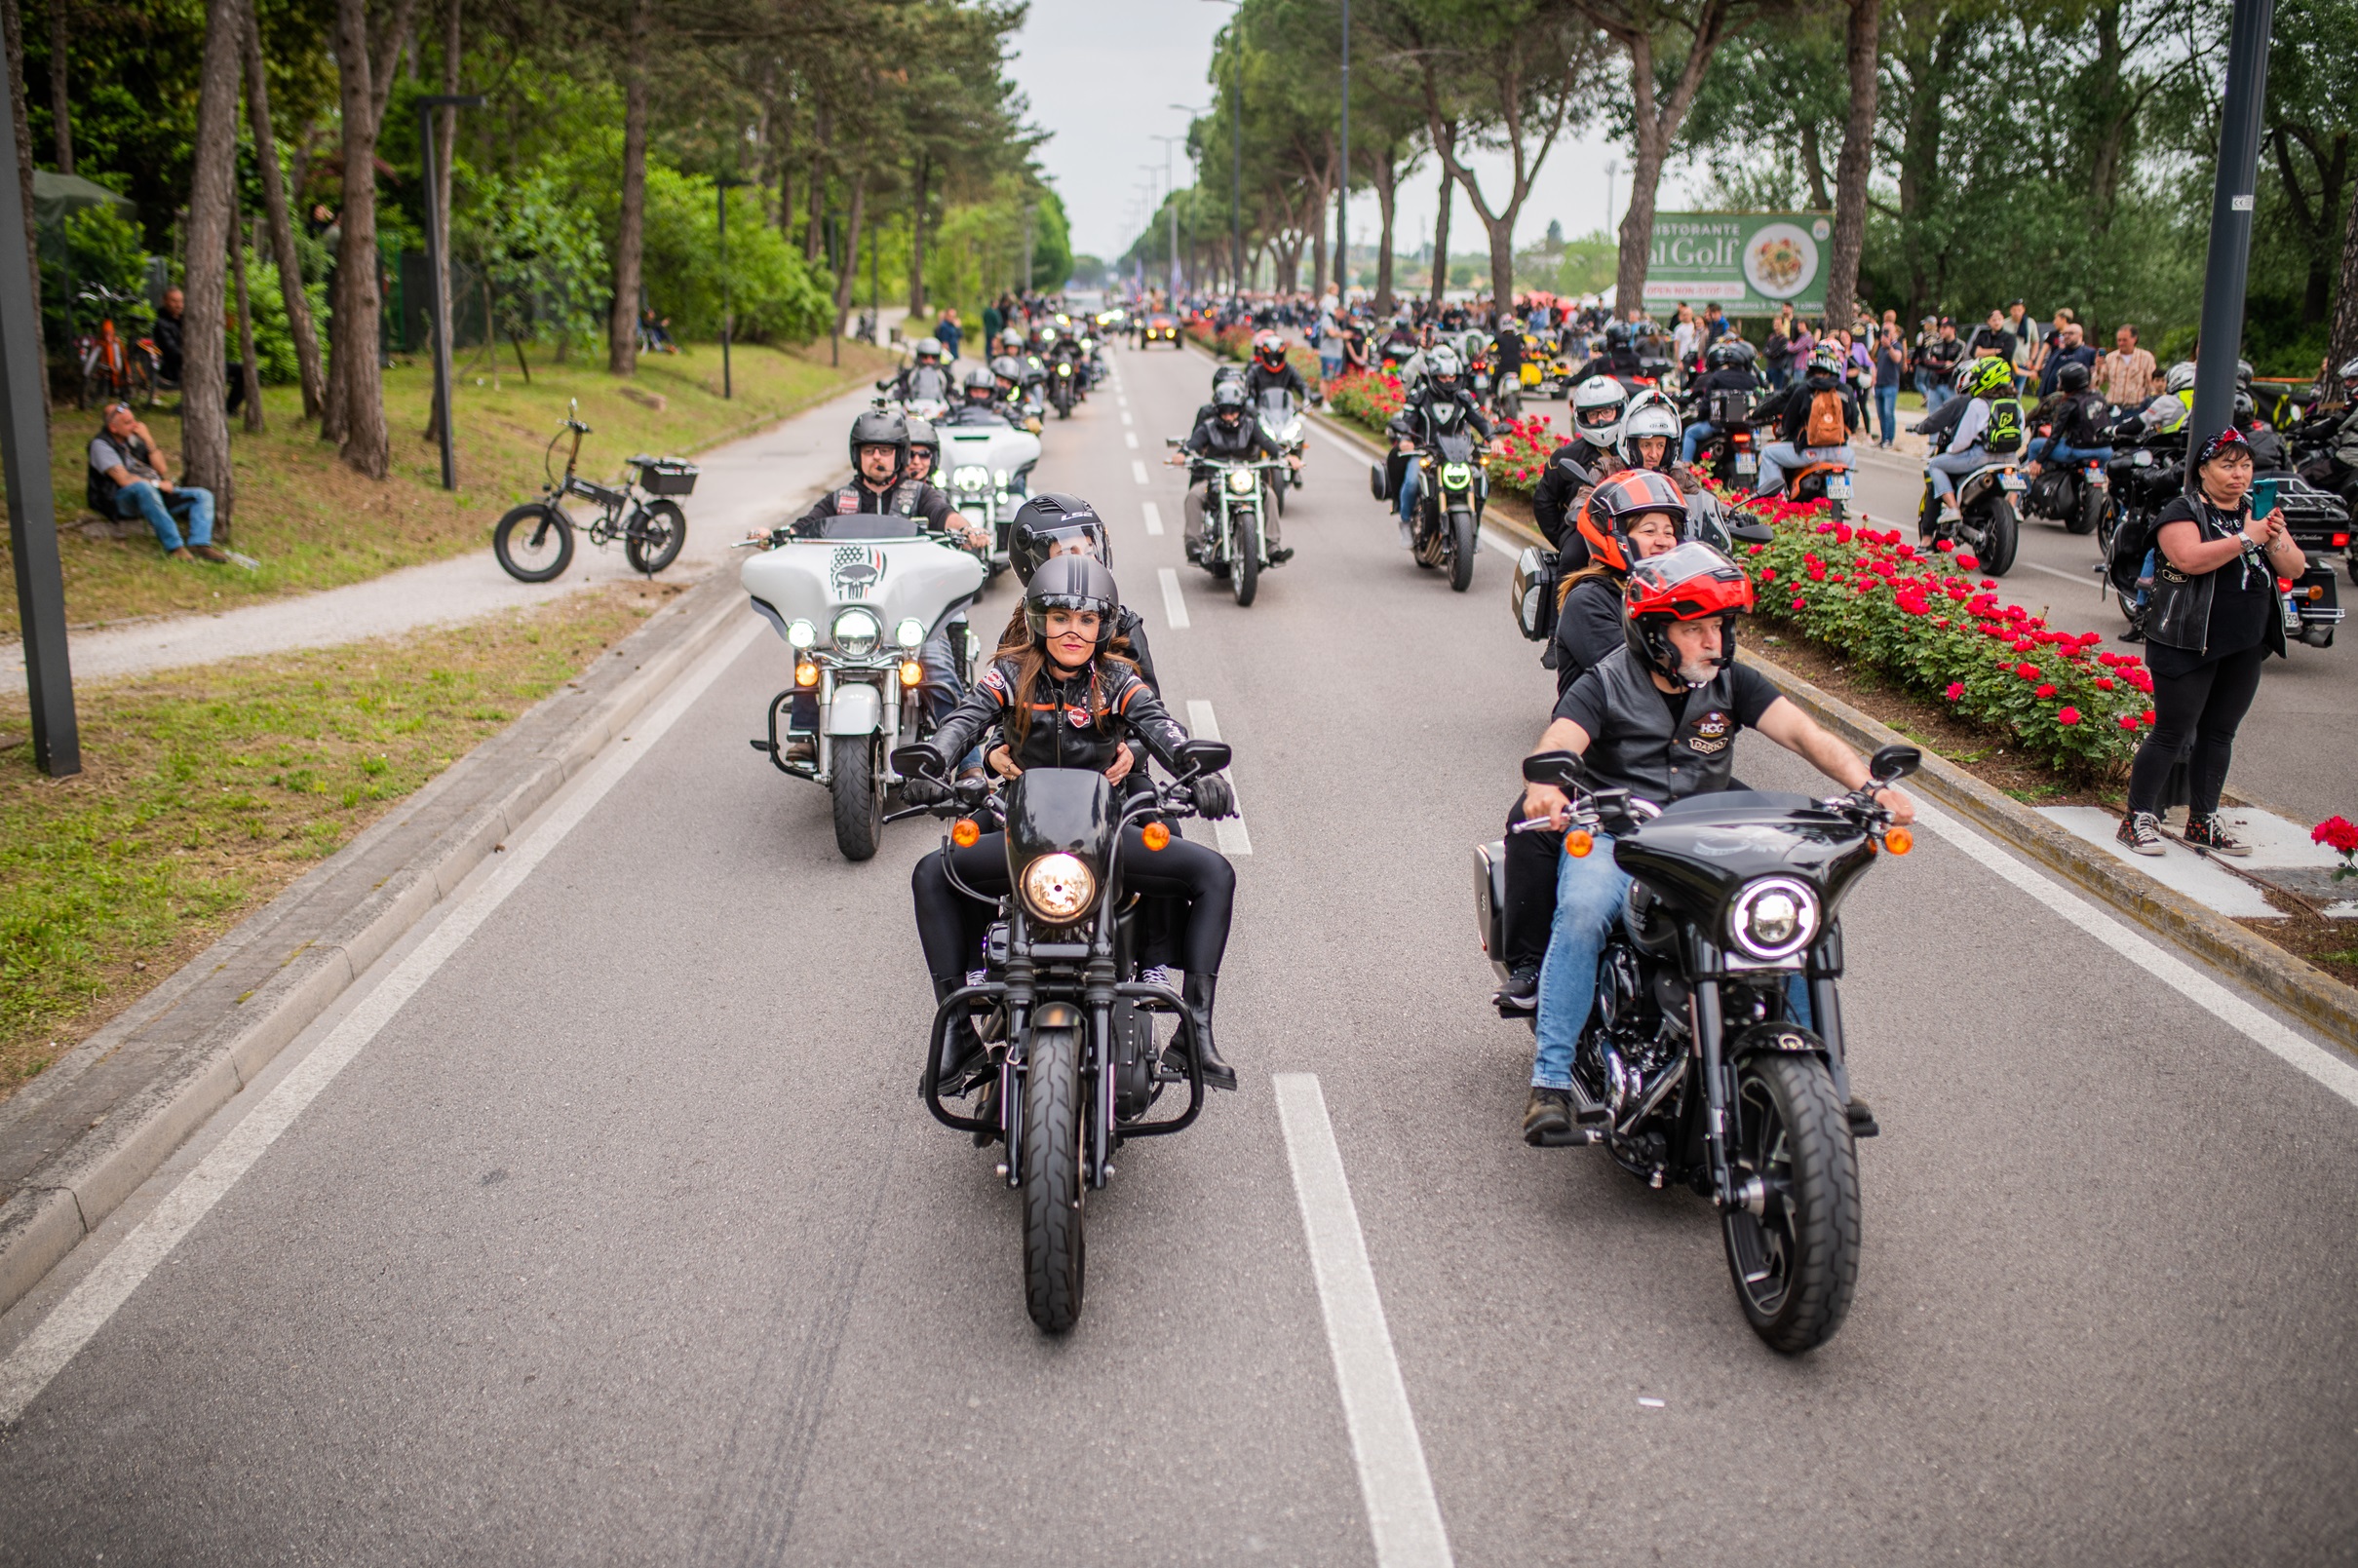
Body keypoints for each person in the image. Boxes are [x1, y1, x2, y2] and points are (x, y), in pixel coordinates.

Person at [1512, 543, 1917, 1140]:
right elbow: (1561, 741)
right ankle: (1550, 1086)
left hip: (1704, 842)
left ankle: (1823, 1079)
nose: (1714, 643)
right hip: (1620, 839)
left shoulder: (1733, 684)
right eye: (1695, 629)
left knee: (1798, 916)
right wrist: (1546, 786)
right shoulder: (1602, 684)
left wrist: (1868, 787)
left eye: (1720, 628)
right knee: (1580, 913)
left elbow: (1806, 736)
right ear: (1653, 632)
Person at [906, 555, 1240, 1090]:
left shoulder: (1117, 680)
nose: (1073, 631)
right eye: (1061, 617)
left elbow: (1160, 726)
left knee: (1214, 873)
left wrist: (1196, 770)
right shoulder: (1009, 674)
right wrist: (933, 760)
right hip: (1023, 833)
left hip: (1103, 836)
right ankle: (956, 1033)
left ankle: (1194, 1030)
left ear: (1103, 625)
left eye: (1087, 620)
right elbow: (964, 720)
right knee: (930, 873)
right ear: (1039, 619)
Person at [1493, 473, 1692, 1013]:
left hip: (1673, 758)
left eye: (1669, 531)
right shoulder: (1590, 598)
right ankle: (1532, 967)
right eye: (1648, 530)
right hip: (1596, 756)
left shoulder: (1685, 597)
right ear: (1614, 536)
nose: (1662, 541)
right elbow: (1635, 676)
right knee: (1528, 825)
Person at [2116, 428, 2305, 858]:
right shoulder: (2182, 511)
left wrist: (2272, 535)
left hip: (2244, 643)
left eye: (2245, 465)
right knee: (2171, 731)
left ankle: (2203, 821)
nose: (2238, 474)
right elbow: (2187, 560)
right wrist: (2247, 538)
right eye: (2227, 465)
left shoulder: (2256, 513)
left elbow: (2294, 566)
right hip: (2186, 640)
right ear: (2203, 470)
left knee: (2220, 733)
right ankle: (2138, 817)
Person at [1171, 379, 1296, 564]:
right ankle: (1193, 545)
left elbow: (1269, 444)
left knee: (1269, 496)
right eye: (1224, 411)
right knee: (1194, 495)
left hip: (1247, 478)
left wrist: (1286, 456)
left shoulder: (1251, 426)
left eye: (1233, 410)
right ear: (1217, 410)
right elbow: (1192, 444)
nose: (1229, 416)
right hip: (1215, 478)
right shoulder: (1208, 427)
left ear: (1241, 408)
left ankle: (1272, 546)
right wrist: (1182, 454)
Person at [87, 402, 226, 561]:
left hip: (154, 494)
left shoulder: (133, 439)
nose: (135, 425)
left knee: (202, 495)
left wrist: (148, 439)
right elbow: (124, 480)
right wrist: (158, 485)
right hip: (119, 499)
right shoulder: (100, 445)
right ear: (113, 428)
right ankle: (175, 547)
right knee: (143, 488)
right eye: (128, 423)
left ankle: (200, 544)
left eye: (134, 420)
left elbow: (161, 469)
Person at [1387, 346, 1492, 549]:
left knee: (1482, 480)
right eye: (1442, 376)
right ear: (1433, 376)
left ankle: (1474, 530)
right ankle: (1406, 522)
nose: (1448, 381)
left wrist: (1493, 437)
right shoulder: (1419, 397)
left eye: (1452, 376)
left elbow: (1480, 420)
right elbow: (1407, 420)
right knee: (1410, 481)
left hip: (1458, 454)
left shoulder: (1464, 398)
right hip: (1426, 452)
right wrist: (1405, 438)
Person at [1918, 355, 2026, 521]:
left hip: (1980, 457)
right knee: (2016, 474)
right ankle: (2012, 507)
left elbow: (1963, 440)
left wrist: (1950, 451)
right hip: (2010, 458)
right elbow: (2021, 433)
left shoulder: (1978, 404)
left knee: (1935, 465)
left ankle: (1953, 508)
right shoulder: (2016, 405)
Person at [1533, 376, 1630, 551]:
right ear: (1583, 416)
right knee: (1569, 563)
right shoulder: (1565, 456)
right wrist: (1562, 538)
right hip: (1582, 534)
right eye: (1593, 414)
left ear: (1619, 409)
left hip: (1631, 532)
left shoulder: (1632, 451)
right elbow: (1543, 501)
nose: (1600, 420)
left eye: (1607, 412)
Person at [1752, 347, 1861, 499]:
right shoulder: (1846, 390)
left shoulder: (1803, 389)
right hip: (1840, 453)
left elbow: (1789, 423)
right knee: (1852, 458)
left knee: (1768, 453)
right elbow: (1854, 423)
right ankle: (1845, 500)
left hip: (1808, 453)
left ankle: (1777, 501)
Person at [150, 286, 246, 413]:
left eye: (180, 301)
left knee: (245, 371)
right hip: (176, 368)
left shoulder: (186, 319)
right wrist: (197, 358)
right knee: (221, 370)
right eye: (174, 301)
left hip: (200, 362)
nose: (178, 305)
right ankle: (214, 408)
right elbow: (173, 352)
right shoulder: (161, 324)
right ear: (165, 301)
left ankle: (229, 408)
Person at [1679, 339, 1766, 466]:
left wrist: (1700, 418)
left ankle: (1685, 468)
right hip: (1745, 428)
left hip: (1718, 428)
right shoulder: (1752, 380)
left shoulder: (1718, 376)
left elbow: (1706, 402)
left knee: (1690, 433)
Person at [2025, 362, 2113, 474]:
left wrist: (2038, 460)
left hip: (2079, 451)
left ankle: (2034, 482)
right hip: (2105, 451)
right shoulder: (2100, 397)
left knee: (2034, 445)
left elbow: (2055, 436)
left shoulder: (2069, 403)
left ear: (2068, 383)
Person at [2096, 324, 2160, 410]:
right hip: (2113, 409)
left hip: (2136, 409)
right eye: (2119, 340)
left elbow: (2151, 384)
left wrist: (2154, 406)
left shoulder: (2146, 357)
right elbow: (2098, 382)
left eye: (2124, 340)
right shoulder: (2110, 358)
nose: (2121, 343)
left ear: (2134, 339)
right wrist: (2098, 368)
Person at [2037, 321, 2097, 398]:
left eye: (2071, 333)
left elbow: (2094, 375)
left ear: (2080, 335)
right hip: (2050, 397)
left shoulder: (2089, 353)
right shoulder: (2057, 352)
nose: (2067, 336)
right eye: (2064, 334)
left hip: (2073, 398)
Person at [1921, 318, 1964, 411]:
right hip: (1934, 385)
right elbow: (1927, 362)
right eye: (1940, 327)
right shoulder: (1935, 345)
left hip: (1950, 385)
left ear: (1953, 329)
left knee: (1951, 415)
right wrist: (1944, 363)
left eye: (1945, 328)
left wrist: (1936, 364)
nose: (1941, 330)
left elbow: (1956, 365)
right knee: (1933, 416)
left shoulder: (1960, 346)